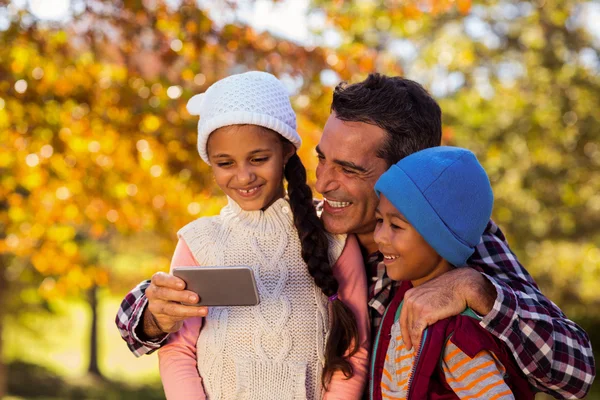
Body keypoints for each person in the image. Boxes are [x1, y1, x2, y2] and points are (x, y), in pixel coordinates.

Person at [116, 73, 595, 398]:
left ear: (406, 172)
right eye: (322, 158)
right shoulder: (304, 225)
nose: (323, 183)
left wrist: (478, 289)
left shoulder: (460, 240)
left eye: (348, 169)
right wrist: (153, 313)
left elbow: (575, 373)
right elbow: (143, 323)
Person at [154, 71, 370, 399]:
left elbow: (355, 347)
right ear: (210, 164)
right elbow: (178, 349)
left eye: (258, 159)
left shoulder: (332, 234)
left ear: (285, 151)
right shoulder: (199, 243)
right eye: (225, 163)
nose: (244, 176)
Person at [370, 146, 534, 399]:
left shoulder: (458, 337)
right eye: (379, 220)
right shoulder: (404, 300)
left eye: (396, 225)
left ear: (440, 240)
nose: (379, 236)